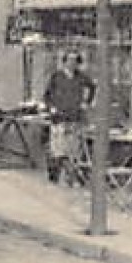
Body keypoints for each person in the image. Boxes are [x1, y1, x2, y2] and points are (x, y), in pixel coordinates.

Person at [42, 51, 95, 183]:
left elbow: (93, 87)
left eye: (75, 61)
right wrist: (51, 108)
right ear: (64, 62)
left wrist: (86, 103)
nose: (72, 64)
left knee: (74, 148)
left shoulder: (81, 77)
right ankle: (56, 174)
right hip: (59, 117)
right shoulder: (57, 76)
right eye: (70, 61)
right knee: (58, 148)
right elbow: (47, 95)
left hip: (75, 116)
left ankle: (72, 175)